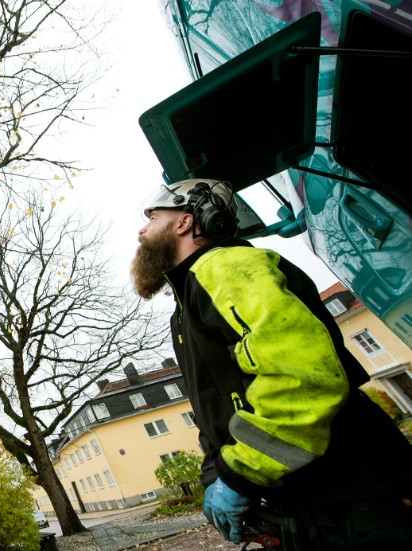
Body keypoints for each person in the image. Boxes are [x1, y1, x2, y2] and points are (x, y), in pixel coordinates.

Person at [131, 178, 412, 549]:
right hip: (312, 504)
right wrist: (216, 472)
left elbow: (302, 380)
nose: (142, 230)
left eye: (153, 217)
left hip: (351, 499)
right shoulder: (185, 306)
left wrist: (237, 475)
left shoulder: (227, 267)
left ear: (184, 222)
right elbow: (213, 405)